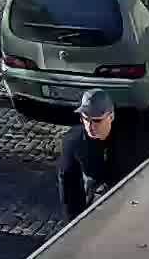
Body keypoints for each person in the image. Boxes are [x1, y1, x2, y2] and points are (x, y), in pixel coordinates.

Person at [56, 90, 139, 219]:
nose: (90, 126)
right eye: (85, 119)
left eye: (97, 120)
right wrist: (74, 224)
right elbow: (68, 186)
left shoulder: (131, 136)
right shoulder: (73, 142)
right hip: (97, 204)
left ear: (111, 117)